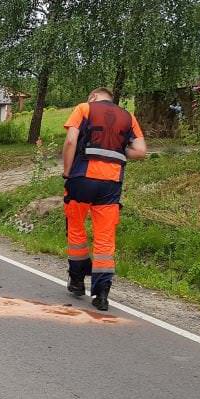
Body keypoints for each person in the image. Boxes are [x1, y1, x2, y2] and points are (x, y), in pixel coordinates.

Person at [62, 87, 146, 311]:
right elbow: (140, 151)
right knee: (105, 238)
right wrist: (118, 150)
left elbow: (71, 141)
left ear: (92, 97)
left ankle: (78, 281)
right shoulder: (128, 117)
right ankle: (101, 294)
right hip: (111, 183)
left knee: (76, 229)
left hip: (82, 177)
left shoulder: (84, 108)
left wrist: (67, 172)